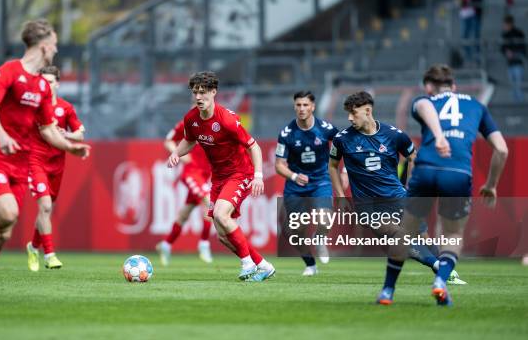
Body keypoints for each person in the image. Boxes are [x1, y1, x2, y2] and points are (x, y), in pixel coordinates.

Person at [0, 19, 90, 305]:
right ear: (44, 45)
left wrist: (71, 149)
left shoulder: (41, 87)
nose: (57, 49)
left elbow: (48, 130)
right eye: (55, 43)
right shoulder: (9, 71)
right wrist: (0, 136)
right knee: (9, 213)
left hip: (21, 162)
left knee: (3, 233)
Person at [403, 64, 508, 306]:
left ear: (429, 87)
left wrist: (438, 136)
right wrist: (491, 184)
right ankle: (442, 278)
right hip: (459, 172)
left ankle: (388, 289)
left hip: (427, 169)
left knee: (407, 234)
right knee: (451, 232)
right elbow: (502, 149)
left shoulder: (427, 101)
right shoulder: (476, 106)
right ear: (454, 85)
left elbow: (425, 107)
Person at [167, 71, 275, 281]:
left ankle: (248, 264)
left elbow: (254, 147)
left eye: (203, 92)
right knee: (223, 236)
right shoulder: (191, 119)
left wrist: (259, 176)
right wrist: (176, 153)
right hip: (218, 178)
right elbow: (189, 140)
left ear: (214, 92)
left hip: (240, 173)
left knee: (220, 215)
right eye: (195, 92)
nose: (199, 97)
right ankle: (264, 265)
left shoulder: (226, 120)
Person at [328, 91, 416, 305]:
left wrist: (410, 186)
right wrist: (340, 195)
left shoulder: (394, 135)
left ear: (367, 111)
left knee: (415, 238)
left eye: (353, 113)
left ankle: (442, 271)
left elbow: (413, 157)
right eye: (348, 114)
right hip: (368, 204)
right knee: (399, 237)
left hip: (397, 196)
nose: (349, 118)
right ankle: (438, 268)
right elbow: (332, 165)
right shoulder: (342, 139)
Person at [25, 65, 85, 272]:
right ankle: (49, 254)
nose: (46, 86)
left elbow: (80, 133)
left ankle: (33, 246)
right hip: (35, 161)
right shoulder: (32, 107)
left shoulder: (65, 108)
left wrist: (66, 134)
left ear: (57, 83)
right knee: (46, 206)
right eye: (43, 82)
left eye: (50, 82)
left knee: (46, 209)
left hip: (57, 164)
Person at [275, 91, 337, 276]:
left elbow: (345, 148)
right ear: (294, 106)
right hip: (296, 185)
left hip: (320, 180)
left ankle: (319, 238)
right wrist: (294, 176)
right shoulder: (287, 133)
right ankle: (310, 264)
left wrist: (343, 171)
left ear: (313, 107)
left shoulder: (326, 129)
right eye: (298, 105)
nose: (302, 109)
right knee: (294, 230)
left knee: (324, 220)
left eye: (305, 105)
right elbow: (279, 165)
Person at [156, 117, 214, 265]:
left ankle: (166, 245)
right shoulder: (187, 123)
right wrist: (180, 155)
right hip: (192, 173)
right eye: (196, 95)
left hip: (205, 175)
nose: (199, 99)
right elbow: (168, 140)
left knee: (184, 214)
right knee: (210, 203)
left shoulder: (215, 123)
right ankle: (204, 244)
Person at [501, 15, 526, 102]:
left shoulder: (519, 33)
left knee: (519, 84)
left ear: (510, 24)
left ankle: (520, 102)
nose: (504, 26)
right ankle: (515, 102)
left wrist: (514, 52)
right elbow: (502, 48)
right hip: (510, 63)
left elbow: (522, 46)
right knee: (512, 84)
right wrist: (507, 52)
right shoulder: (505, 35)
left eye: (506, 24)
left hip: (518, 62)